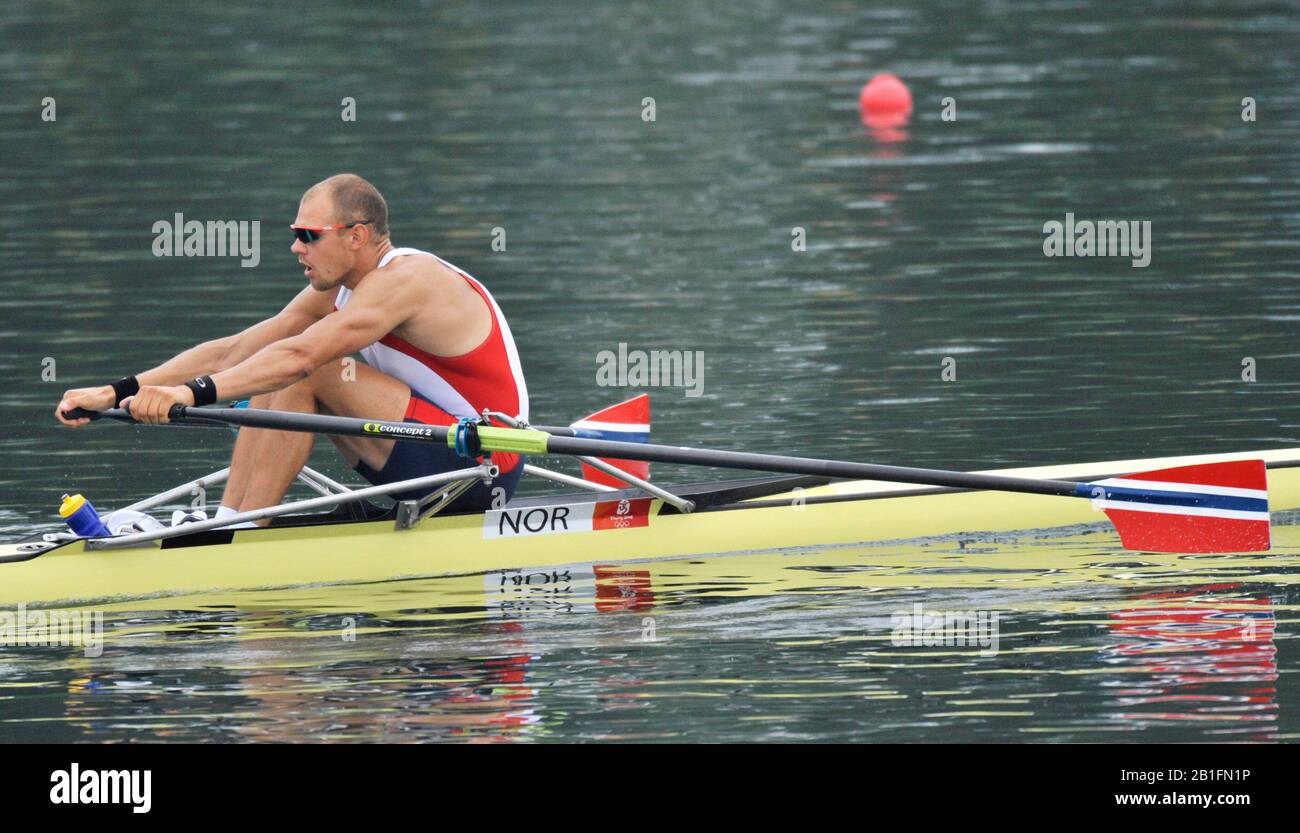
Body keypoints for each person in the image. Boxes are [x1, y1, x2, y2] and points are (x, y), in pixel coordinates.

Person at [56, 173, 529, 523]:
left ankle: (240, 528)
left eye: (308, 236)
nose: (296, 248)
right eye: (294, 235)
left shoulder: (407, 280)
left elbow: (300, 358)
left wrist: (188, 394)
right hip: (430, 454)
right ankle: (231, 518)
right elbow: (233, 351)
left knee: (311, 366)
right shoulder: (340, 286)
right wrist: (117, 391)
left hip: (484, 464)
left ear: (356, 236)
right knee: (277, 359)